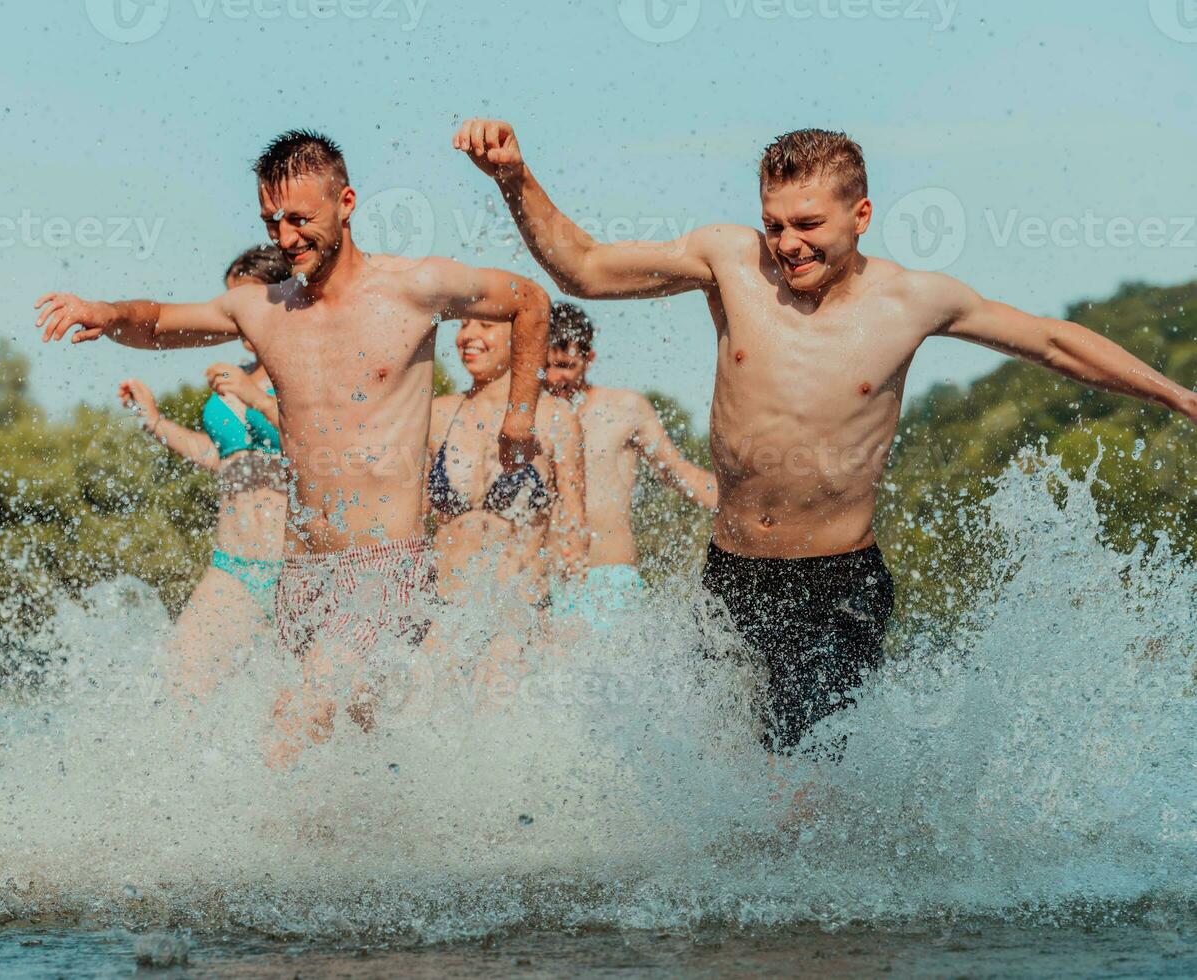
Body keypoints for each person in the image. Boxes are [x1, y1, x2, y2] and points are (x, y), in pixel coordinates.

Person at [453, 118, 1197, 756]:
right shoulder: (729, 261)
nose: (787, 243)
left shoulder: (913, 300)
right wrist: (514, 178)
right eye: (775, 223)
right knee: (722, 772)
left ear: (861, 214)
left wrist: (1180, 397)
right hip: (732, 577)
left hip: (837, 585)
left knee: (803, 775)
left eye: (808, 225)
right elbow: (585, 269)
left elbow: (1053, 342)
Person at [36, 129, 551, 762]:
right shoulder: (264, 309)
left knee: (290, 730)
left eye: (300, 219)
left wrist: (518, 420)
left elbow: (530, 301)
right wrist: (106, 312)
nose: (284, 238)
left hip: (385, 564)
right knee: (358, 753)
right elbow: (162, 320)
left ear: (347, 203)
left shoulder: (415, 287)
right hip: (302, 574)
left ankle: (227, 858)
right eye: (271, 221)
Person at [117, 246, 289, 700]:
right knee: (182, 686)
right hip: (232, 566)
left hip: (297, 568)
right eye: (230, 304)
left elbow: (325, 450)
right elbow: (221, 456)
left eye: (247, 303)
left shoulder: (306, 371)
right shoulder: (240, 373)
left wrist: (256, 398)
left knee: (297, 707)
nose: (236, 318)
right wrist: (155, 422)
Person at [542, 301, 718, 623]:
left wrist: (752, 509)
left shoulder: (624, 408)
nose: (555, 378)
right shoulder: (528, 417)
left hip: (609, 581)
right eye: (546, 367)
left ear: (588, 358)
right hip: (545, 583)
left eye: (566, 365)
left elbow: (679, 473)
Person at [427, 318, 588, 629]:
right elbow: (414, 522)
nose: (467, 335)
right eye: (463, 325)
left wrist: (567, 625)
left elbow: (574, 525)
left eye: (485, 325)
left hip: (519, 617)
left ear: (522, 339)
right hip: (444, 614)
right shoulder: (438, 413)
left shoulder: (555, 416)